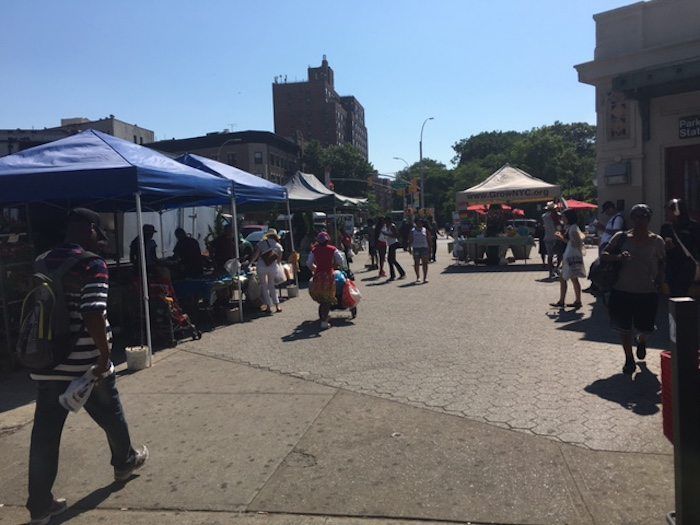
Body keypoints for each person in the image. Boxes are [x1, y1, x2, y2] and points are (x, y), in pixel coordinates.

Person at [26, 208, 148, 525]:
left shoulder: (42, 261)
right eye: (100, 231)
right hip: (86, 364)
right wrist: (105, 356)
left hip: (46, 361)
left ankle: (39, 506)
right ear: (91, 230)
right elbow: (93, 311)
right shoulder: (91, 263)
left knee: (45, 436)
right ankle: (124, 461)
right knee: (112, 414)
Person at [602, 204, 666, 376]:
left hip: (647, 291)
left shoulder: (657, 240)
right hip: (622, 289)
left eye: (643, 217)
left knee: (645, 327)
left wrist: (661, 282)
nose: (639, 220)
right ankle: (629, 359)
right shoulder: (621, 237)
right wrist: (617, 257)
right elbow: (604, 255)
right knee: (624, 327)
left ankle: (642, 340)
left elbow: (662, 264)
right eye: (635, 217)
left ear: (648, 219)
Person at [660, 198, 700, 297]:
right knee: (673, 296)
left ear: (677, 211)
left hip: (688, 267)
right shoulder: (666, 228)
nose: (666, 214)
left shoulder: (692, 227)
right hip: (672, 267)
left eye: (668, 211)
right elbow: (661, 247)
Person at [307, 231, 344, 329]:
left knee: (321, 297)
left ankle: (323, 316)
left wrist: (315, 268)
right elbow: (340, 260)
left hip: (318, 276)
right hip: (329, 275)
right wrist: (334, 265)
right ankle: (324, 321)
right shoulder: (333, 249)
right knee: (327, 298)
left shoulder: (314, 250)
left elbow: (309, 263)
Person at [550, 209, 585, 309]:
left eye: (564, 217)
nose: (562, 219)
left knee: (565, 278)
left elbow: (575, 242)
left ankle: (564, 301)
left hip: (571, 255)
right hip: (571, 254)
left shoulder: (573, 228)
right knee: (572, 278)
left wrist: (561, 238)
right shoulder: (571, 227)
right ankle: (576, 300)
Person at [252, 229, 284, 313]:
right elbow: (279, 259)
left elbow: (256, 255)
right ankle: (277, 306)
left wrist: (251, 262)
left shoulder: (261, 243)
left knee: (264, 286)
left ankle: (268, 307)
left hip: (261, 266)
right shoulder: (278, 245)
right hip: (272, 267)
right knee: (271, 285)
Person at [409, 219, 430, 283]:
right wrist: (409, 247)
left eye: (420, 223)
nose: (419, 224)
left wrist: (430, 248)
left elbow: (428, 239)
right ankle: (418, 276)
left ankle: (425, 277)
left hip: (424, 247)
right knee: (416, 263)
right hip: (416, 248)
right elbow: (410, 239)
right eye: (418, 223)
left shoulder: (425, 230)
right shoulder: (413, 231)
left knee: (425, 263)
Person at [542, 202, 559, 278]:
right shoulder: (556, 216)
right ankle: (556, 268)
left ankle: (550, 272)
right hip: (556, 237)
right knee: (558, 254)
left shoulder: (544, 216)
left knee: (550, 256)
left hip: (547, 237)